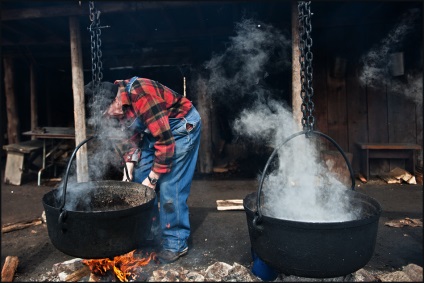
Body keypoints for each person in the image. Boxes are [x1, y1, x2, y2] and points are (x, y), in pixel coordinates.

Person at [84, 77, 202, 263]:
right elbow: (127, 139)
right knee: (139, 178)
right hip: (154, 129)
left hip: (179, 128)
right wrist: (128, 169)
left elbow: (165, 143)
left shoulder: (142, 95)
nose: (107, 117)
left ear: (115, 101)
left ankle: (175, 243)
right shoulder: (117, 106)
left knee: (171, 186)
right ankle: (149, 232)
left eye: (106, 112)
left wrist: (153, 180)